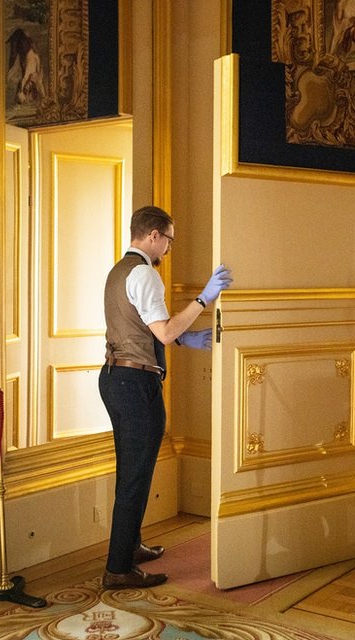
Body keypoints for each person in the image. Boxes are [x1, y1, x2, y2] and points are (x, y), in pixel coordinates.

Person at [98, 205, 232, 589]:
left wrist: (185, 338)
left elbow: (139, 327)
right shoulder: (145, 274)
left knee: (132, 470)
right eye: (169, 239)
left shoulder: (119, 270)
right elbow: (165, 332)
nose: (170, 247)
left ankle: (130, 545)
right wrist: (205, 299)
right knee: (135, 476)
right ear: (154, 235)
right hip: (134, 385)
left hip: (116, 379)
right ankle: (119, 568)